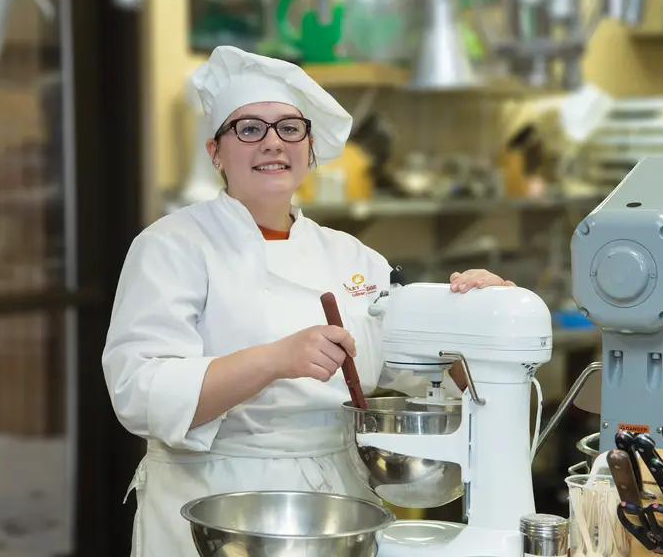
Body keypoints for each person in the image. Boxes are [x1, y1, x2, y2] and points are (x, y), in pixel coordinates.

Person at [102, 45, 518, 557]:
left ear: (308, 145)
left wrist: (482, 324)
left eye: (288, 128)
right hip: (212, 506)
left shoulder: (353, 256)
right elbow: (139, 392)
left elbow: (425, 378)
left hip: (336, 503)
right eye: (249, 128)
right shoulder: (172, 246)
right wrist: (275, 360)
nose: (272, 143)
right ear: (215, 152)